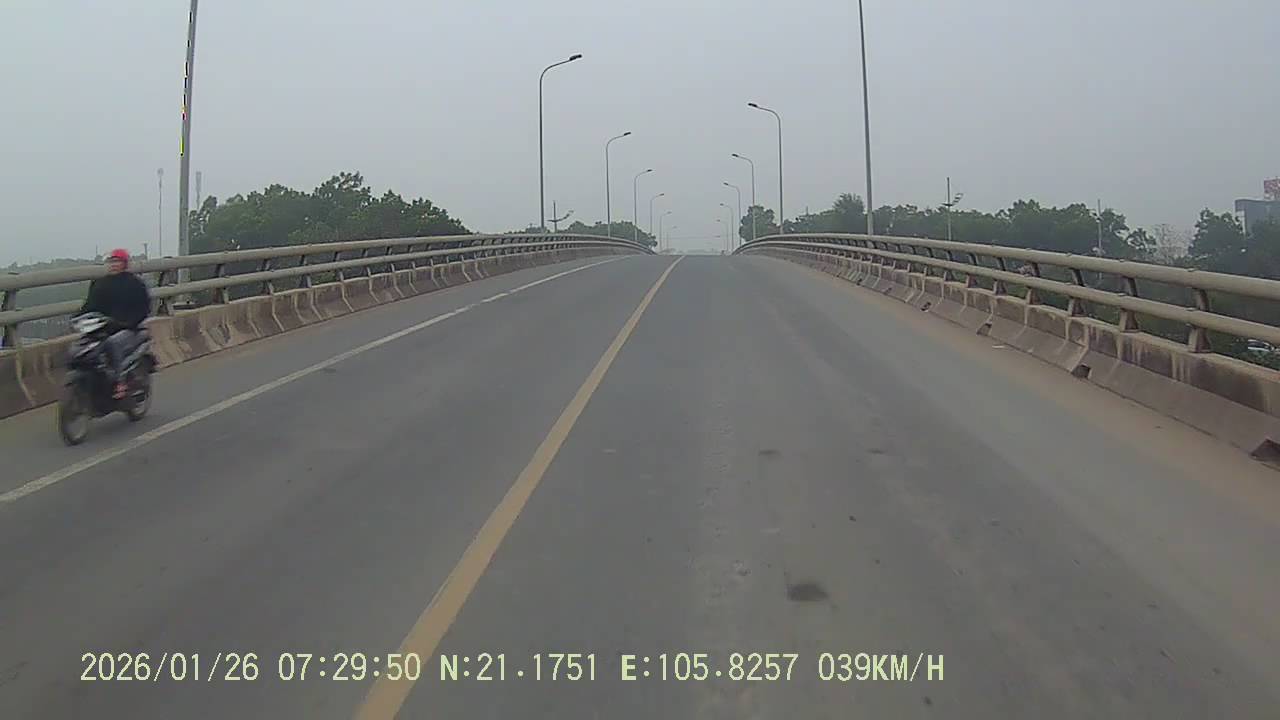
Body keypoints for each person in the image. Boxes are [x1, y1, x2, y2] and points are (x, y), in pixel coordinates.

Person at [80, 249, 151, 398]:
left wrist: (127, 323)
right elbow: (90, 306)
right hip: (104, 327)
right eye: (111, 261)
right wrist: (79, 318)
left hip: (129, 328)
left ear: (125, 264)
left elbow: (143, 309)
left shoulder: (135, 284)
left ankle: (120, 382)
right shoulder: (100, 284)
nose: (114, 265)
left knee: (113, 343)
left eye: (117, 261)